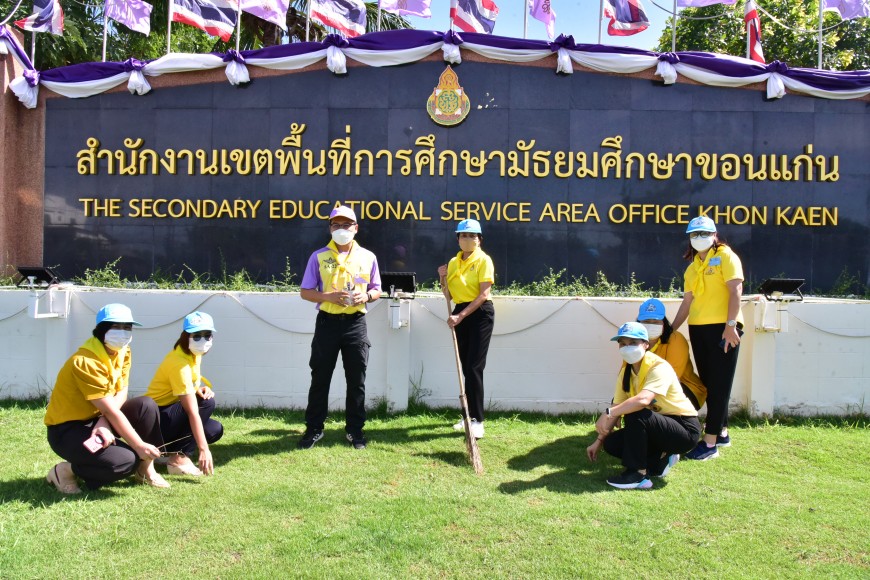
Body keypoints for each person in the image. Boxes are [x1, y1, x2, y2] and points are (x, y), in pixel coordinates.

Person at [44, 303, 167, 493]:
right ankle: (65, 470)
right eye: (116, 326)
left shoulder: (123, 352)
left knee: (146, 405)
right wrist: (138, 445)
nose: (123, 332)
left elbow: (122, 391)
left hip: (99, 416)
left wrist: (104, 421)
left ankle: (146, 470)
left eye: (127, 327)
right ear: (101, 329)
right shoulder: (85, 361)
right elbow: (110, 409)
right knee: (125, 462)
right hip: (68, 430)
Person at [298, 205, 382, 450]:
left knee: (356, 380)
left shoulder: (368, 257)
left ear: (356, 228)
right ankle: (314, 428)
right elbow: (305, 292)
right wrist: (328, 297)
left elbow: (377, 289)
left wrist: (366, 296)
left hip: (356, 324)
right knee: (320, 378)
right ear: (330, 228)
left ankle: (355, 430)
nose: (341, 229)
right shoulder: (318, 256)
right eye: (336, 225)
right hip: (327, 323)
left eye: (346, 225)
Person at [587, 322, 702, 490]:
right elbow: (617, 405)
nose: (627, 347)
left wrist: (608, 412)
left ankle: (638, 475)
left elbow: (643, 400)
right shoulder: (625, 372)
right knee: (612, 443)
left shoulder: (658, 367)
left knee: (635, 412)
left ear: (646, 345)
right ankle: (659, 460)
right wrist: (598, 441)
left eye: (633, 343)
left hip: (684, 429)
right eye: (622, 343)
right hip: (657, 426)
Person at [671, 216, 744, 461]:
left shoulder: (726, 256)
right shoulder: (692, 267)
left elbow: (736, 290)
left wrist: (731, 326)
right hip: (698, 328)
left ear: (714, 235)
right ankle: (721, 432)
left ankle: (710, 443)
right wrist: (671, 330)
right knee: (709, 383)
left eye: (704, 233)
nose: (699, 237)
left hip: (724, 328)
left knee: (720, 384)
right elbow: (687, 303)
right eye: (694, 234)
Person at [144, 311, 223, 476]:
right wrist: (204, 449)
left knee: (214, 429)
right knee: (206, 403)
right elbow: (192, 410)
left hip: (167, 415)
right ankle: (179, 459)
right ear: (186, 336)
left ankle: (164, 453)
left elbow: (187, 385)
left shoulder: (193, 354)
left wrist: (198, 389)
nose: (203, 340)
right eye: (197, 336)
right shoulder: (179, 363)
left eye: (207, 335)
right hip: (155, 420)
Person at [437, 218, 495, 440]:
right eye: (463, 235)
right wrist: (442, 277)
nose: (468, 239)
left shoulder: (484, 260)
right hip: (460, 311)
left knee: (474, 367)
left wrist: (461, 315)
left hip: (479, 313)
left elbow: (483, 294)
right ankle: (467, 416)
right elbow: (449, 295)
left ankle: (478, 421)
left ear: (479, 239)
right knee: (465, 368)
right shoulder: (453, 262)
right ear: (458, 239)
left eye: (472, 236)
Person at [636, 298, 706, 411]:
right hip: (649, 388)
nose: (651, 325)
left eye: (655, 321)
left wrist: (642, 399)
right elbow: (626, 374)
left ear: (663, 323)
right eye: (647, 321)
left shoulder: (676, 339)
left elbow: (672, 378)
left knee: (641, 406)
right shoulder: (633, 341)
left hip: (684, 388)